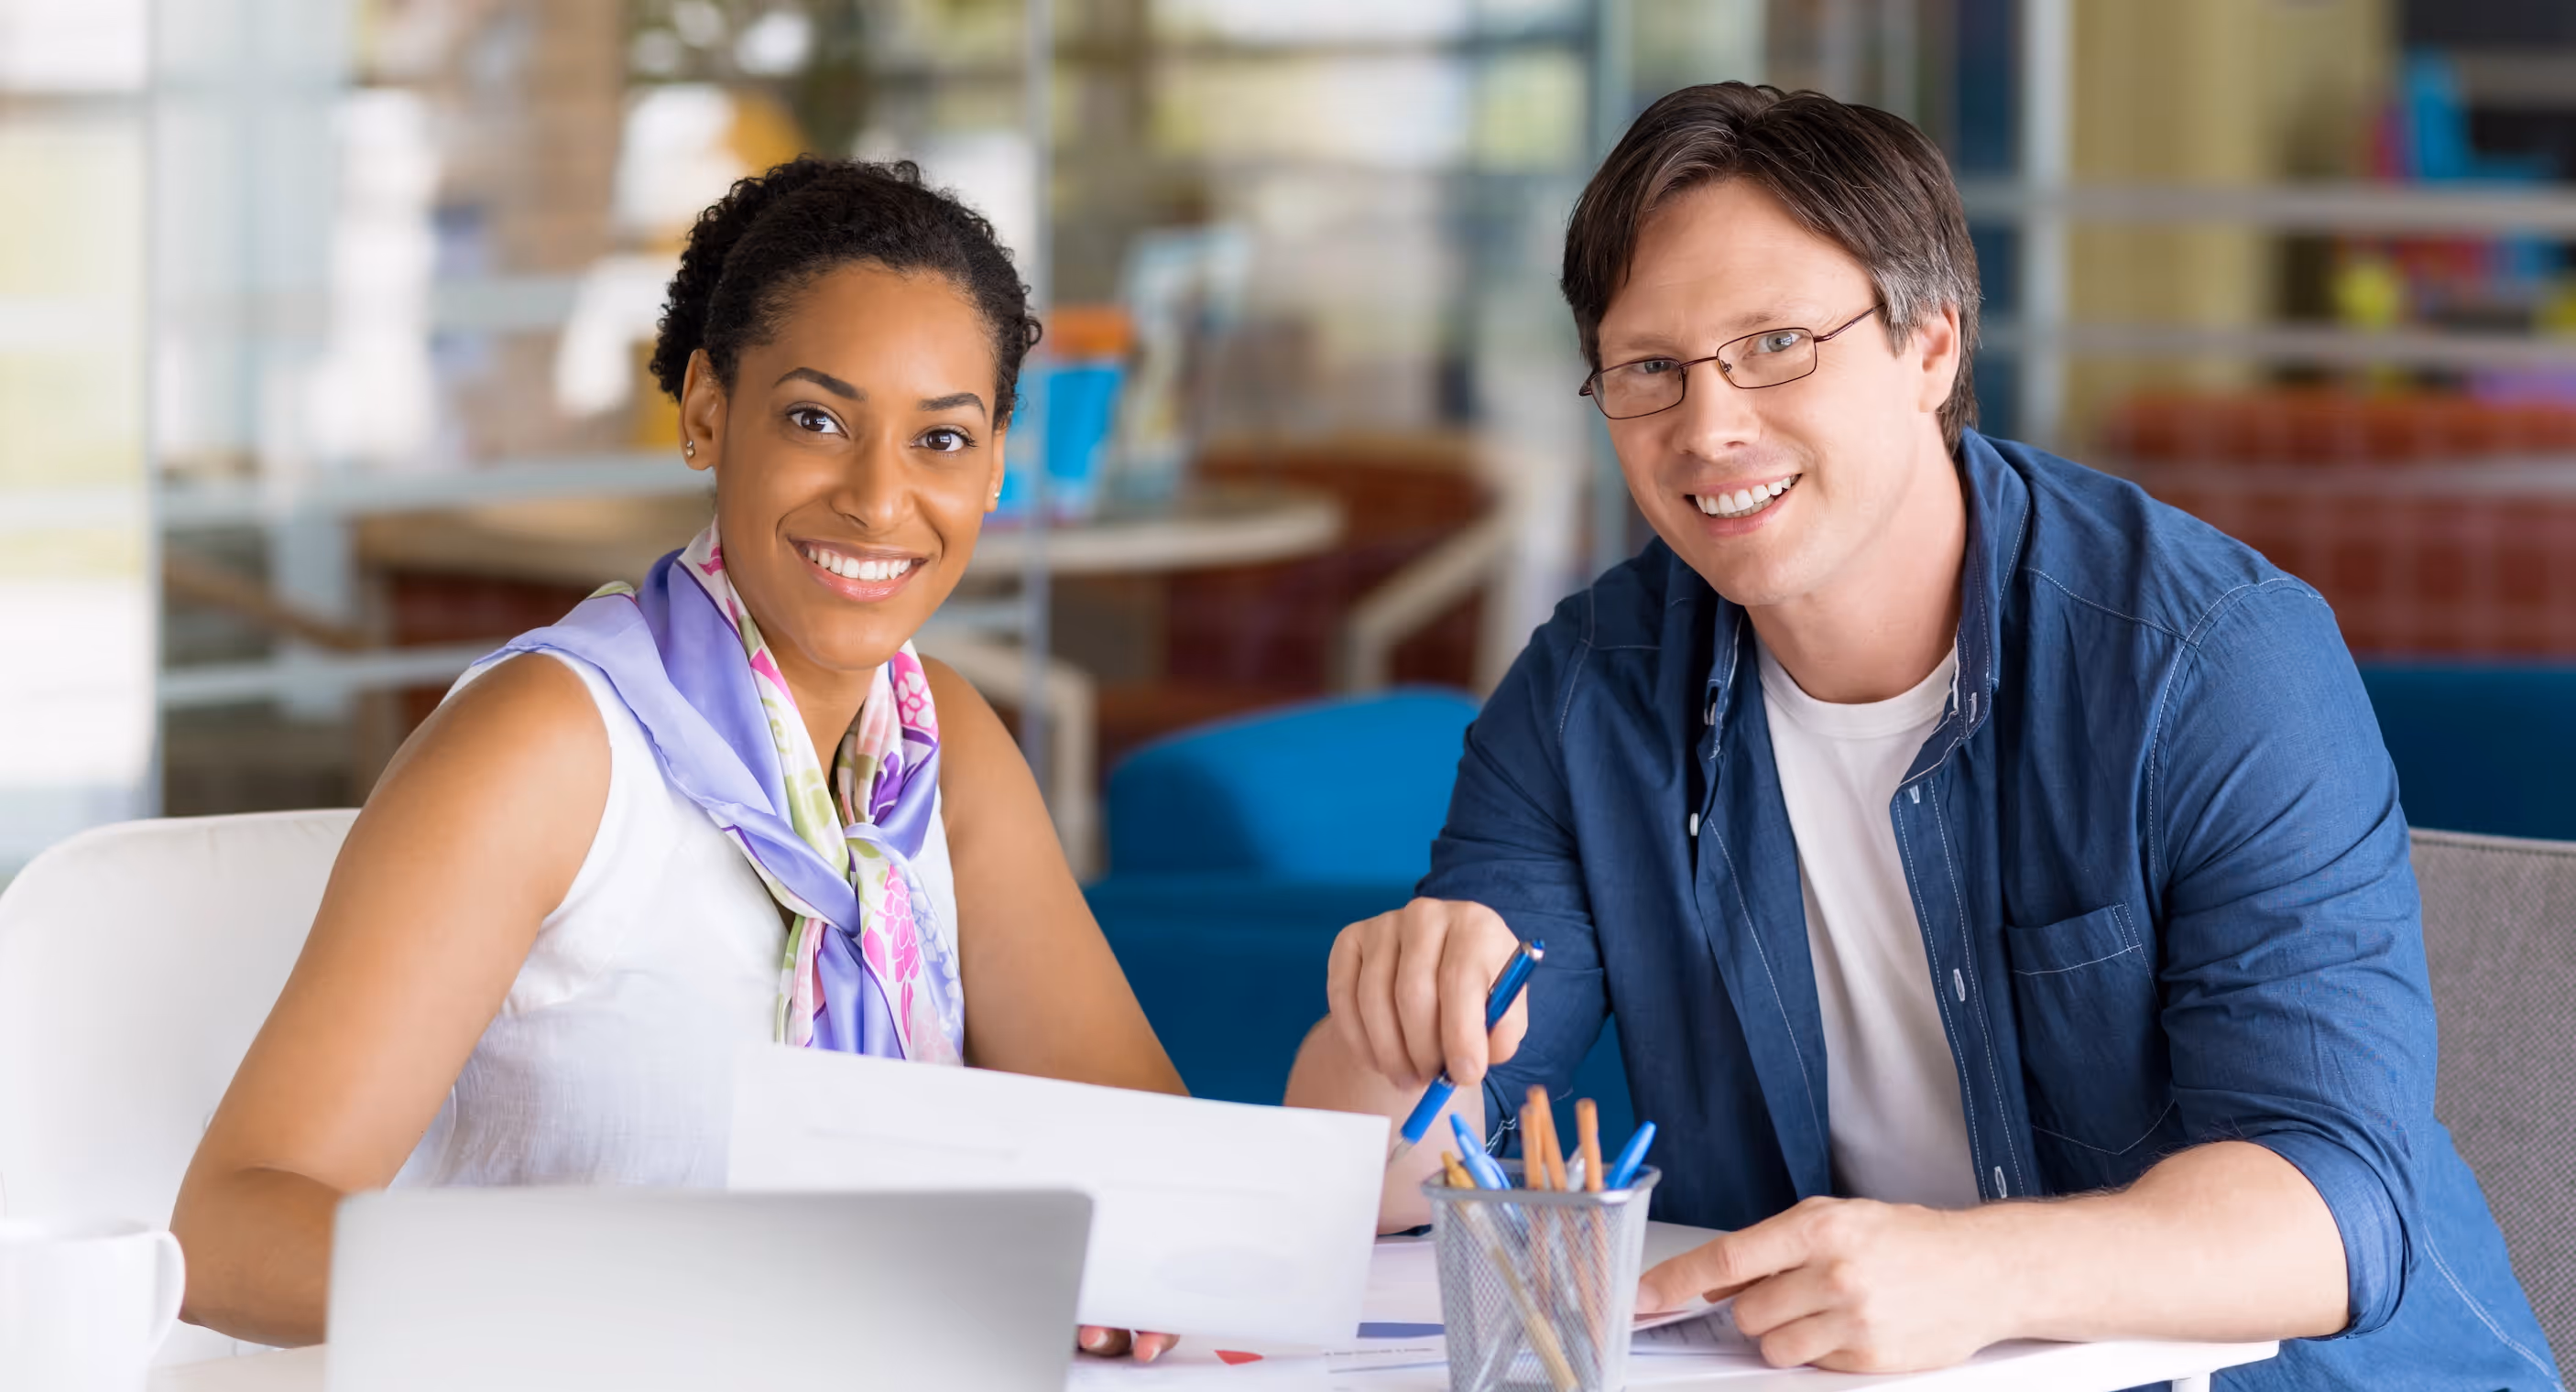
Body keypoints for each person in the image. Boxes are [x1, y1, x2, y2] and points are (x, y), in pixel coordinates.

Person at [1285, 83, 2560, 1387]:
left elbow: (2330, 1216)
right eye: (1649, 369)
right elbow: (1387, 1174)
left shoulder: (2210, 663)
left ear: (1932, 345)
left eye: (1777, 343)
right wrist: (1389, 1026)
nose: (1710, 426)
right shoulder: (1590, 693)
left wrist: (1973, 1270)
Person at [173, 157, 1184, 1362]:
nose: (879, 498)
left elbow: (1157, 1163)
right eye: (817, 419)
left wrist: (1346, 1122)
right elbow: (230, 1233)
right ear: (707, 409)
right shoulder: (549, 743)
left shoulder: (935, 744)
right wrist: (659, 1280)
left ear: (996, 468)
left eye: (942, 440)